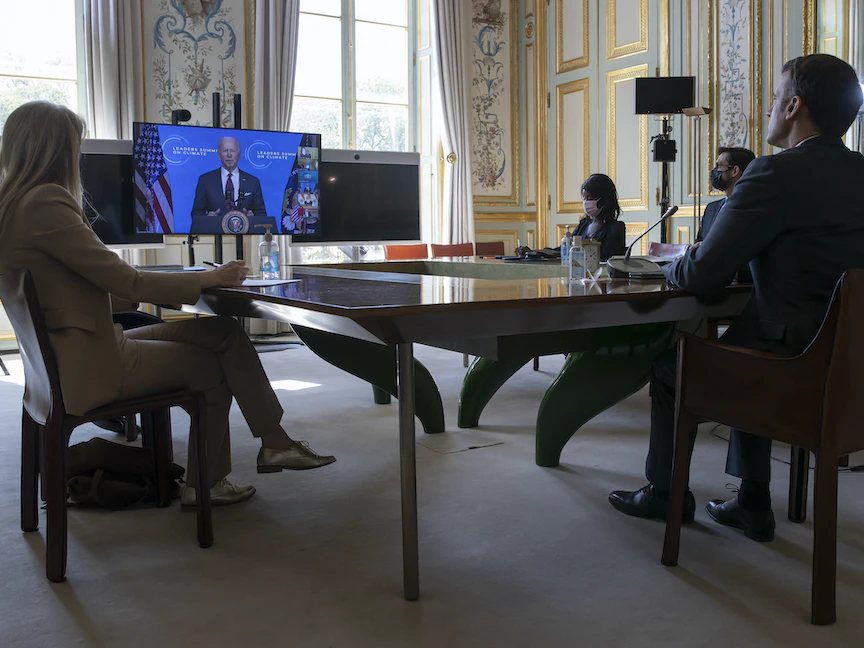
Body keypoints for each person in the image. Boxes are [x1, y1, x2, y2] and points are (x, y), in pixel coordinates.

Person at [0, 102, 336, 508]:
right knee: (213, 369)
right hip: (91, 364)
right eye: (75, 145)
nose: (79, 154)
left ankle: (275, 441)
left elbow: (103, 281)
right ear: (55, 149)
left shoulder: (15, 205)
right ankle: (207, 484)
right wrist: (209, 278)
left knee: (222, 332)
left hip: (72, 354)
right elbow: (127, 281)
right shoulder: (46, 203)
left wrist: (171, 283)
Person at [608, 54, 864, 542]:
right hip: (852, 370)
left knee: (673, 366)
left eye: (775, 97)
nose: (769, 108)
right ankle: (750, 504)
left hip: (793, 368)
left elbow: (702, 276)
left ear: (793, 106)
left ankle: (665, 493)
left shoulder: (772, 174)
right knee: (750, 335)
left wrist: (679, 260)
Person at [190, 136, 276, 234]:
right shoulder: (205, 180)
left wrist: (253, 218)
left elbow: (261, 214)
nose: (229, 155)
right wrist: (207, 219)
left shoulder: (253, 182)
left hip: (246, 237)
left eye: (232, 151)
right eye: (225, 151)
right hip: (215, 236)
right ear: (219, 155)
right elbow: (196, 214)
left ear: (238, 154)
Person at [695, 146, 756, 242]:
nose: (714, 170)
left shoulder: (753, 208)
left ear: (735, 171)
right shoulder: (711, 208)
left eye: (719, 166)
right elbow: (699, 242)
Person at [572, 174, 626, 260]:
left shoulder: (615, 228)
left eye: (590, 198)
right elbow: (568, 247)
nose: (586, 203)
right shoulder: (584, 224)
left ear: (604, 199)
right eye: (585, 199)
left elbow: (606, 256)